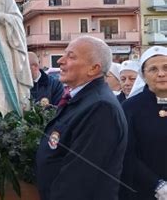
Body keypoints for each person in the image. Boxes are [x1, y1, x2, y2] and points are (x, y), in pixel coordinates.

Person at [36, 36, 127, 200]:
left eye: (71, 56)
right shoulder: (82, 99)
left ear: (93, 69)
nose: (60, 61)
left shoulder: (100, 108)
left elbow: (80, 176)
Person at [119, 46, 167, 200]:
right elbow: (126, 153)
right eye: (153, 69)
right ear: (143, 76)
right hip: (145, 191)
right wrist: (157, 184)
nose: (161, 74)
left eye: (166, 67)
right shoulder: (130, 108)